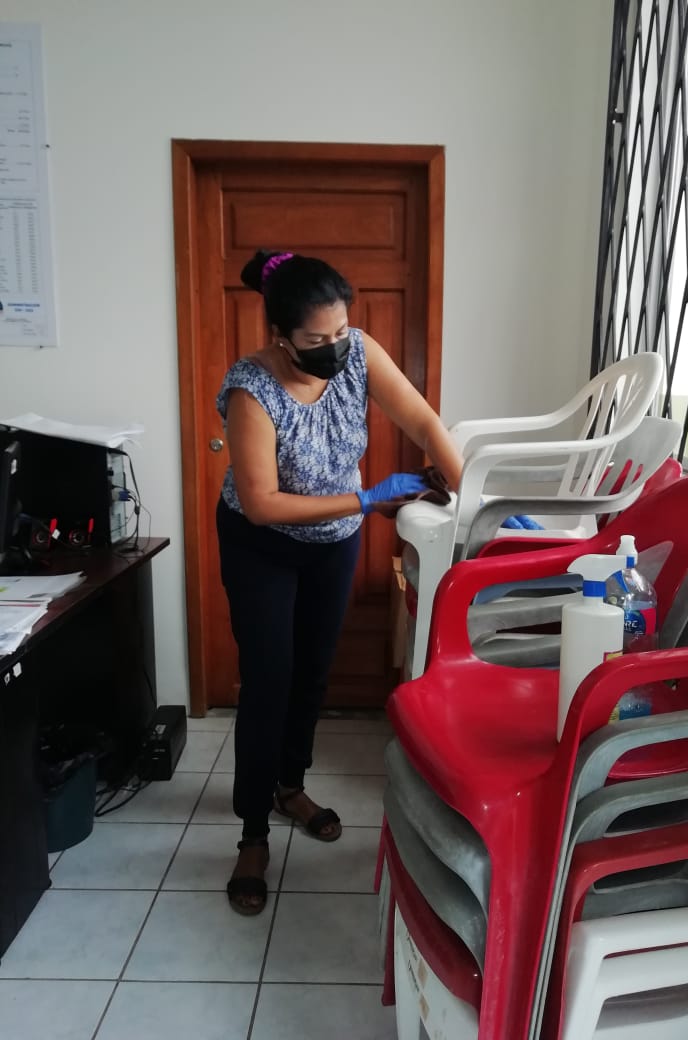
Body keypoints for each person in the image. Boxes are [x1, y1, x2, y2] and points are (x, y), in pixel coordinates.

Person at [215, 249, 464, 915]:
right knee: (268, 679)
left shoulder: (358, 352)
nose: (334, 347)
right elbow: (262, 503)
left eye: (342, 331)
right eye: (316, 339)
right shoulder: (251, 391)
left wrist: (474, 496)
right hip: (262, 546)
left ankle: (289, 787)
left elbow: (422, 421)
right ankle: (252, 832)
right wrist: (367, 498)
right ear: (280, 336)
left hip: (332, 542)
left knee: (312, 673)